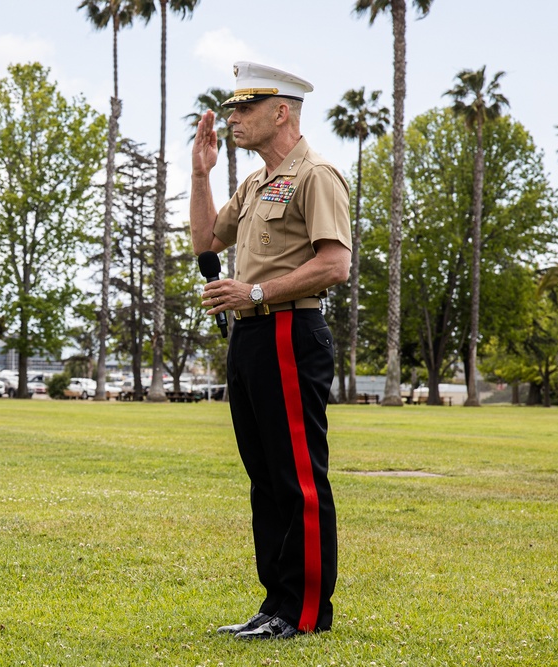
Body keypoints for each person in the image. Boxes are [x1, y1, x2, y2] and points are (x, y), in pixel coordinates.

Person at [189, 62, 352, 640]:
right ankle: (275, 603)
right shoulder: (256, 182)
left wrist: (254, 290)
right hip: (253, 335)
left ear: (280, 110)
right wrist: (200, 173)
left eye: (244, 107)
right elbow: (207, 240)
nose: (232, 118)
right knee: (265, 476)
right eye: (231, 108)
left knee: (297, 477)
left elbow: (335, 264)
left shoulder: (317, 175)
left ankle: (304, 612)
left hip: (289, 329)